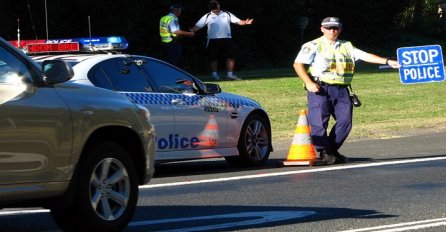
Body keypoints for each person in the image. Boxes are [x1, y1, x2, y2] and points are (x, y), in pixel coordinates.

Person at [293, 17, 400, 165]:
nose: (332, 31)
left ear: (340, 29)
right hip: (320, 89)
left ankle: (331, 149)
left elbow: (365, 55)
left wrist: (388, 61)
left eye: (335, 28)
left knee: (345, 122)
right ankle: (324, 151)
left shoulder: (347, 46)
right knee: (318, 122)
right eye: (329, 28)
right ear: (322, 29)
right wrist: (308, 82)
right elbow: (298, 64)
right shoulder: (313, 45)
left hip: (342, 89)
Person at [190, 0, 253, 80]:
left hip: (227, 39)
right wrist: (191, 30)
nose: (214, 10)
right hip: (213, 40)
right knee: (213, 58)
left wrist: (245, 23)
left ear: (219, 6)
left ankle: (230, 75)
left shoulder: (227, 14)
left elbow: (238, 21)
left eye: (215, 7)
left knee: (230, 57)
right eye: (212, 8)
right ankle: (215, 75)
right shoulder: (207, 16)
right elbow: (198, 26)